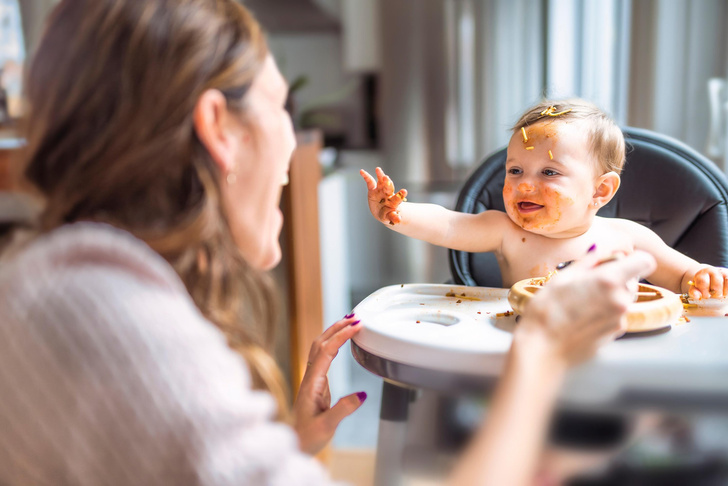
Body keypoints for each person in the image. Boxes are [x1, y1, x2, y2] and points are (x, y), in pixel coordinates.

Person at [0, 1, 656, 484]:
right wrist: (539, 354)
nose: (294, 143)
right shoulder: (109, 320)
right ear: (218, 129)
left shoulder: (63, 285)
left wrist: (284, 448)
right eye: (283, 109)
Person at [361, 99, 728, 301]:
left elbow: (684, 277)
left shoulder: (628, 238)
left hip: (617, 359)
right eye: (515, 171)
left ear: (601, 190)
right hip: (526, 356)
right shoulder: (504, 231)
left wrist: (706, 278)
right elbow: (450, 224)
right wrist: (398, 212)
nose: (524, 185)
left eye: (549, 173)